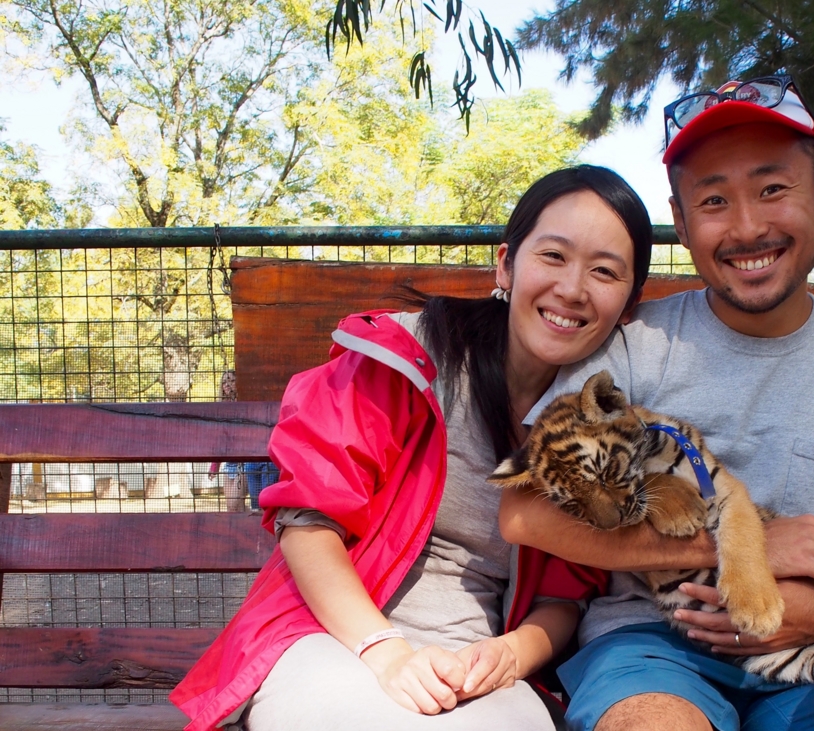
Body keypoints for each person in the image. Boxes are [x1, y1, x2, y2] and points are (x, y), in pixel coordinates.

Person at [500, 76, 814, 731]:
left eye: (772, 188)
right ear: (683, 221)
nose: (748, 226)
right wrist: (745, 546)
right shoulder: (633, 348)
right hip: (652, 647)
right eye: (715, 199)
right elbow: (527, 514)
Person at [170, 165, 655, 731]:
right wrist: (387, 651)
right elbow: (308, 524)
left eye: (603, 271)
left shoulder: (602, 427)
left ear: (628, 303)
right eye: (553, 256)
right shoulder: (403, 362)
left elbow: (564, 599)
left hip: (476, 668)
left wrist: (511, 656)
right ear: (506, 263)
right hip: (339, 635)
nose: (572, 288)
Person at [207, 371, 246, 513]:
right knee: (231, 509)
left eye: (231, 380)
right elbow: (219, 439)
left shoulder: (245, 404)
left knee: (236, 503)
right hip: (229, 464)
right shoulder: (221, 408)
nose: (227, 384)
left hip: (244, 462)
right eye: (224, 382)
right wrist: (214, 466)